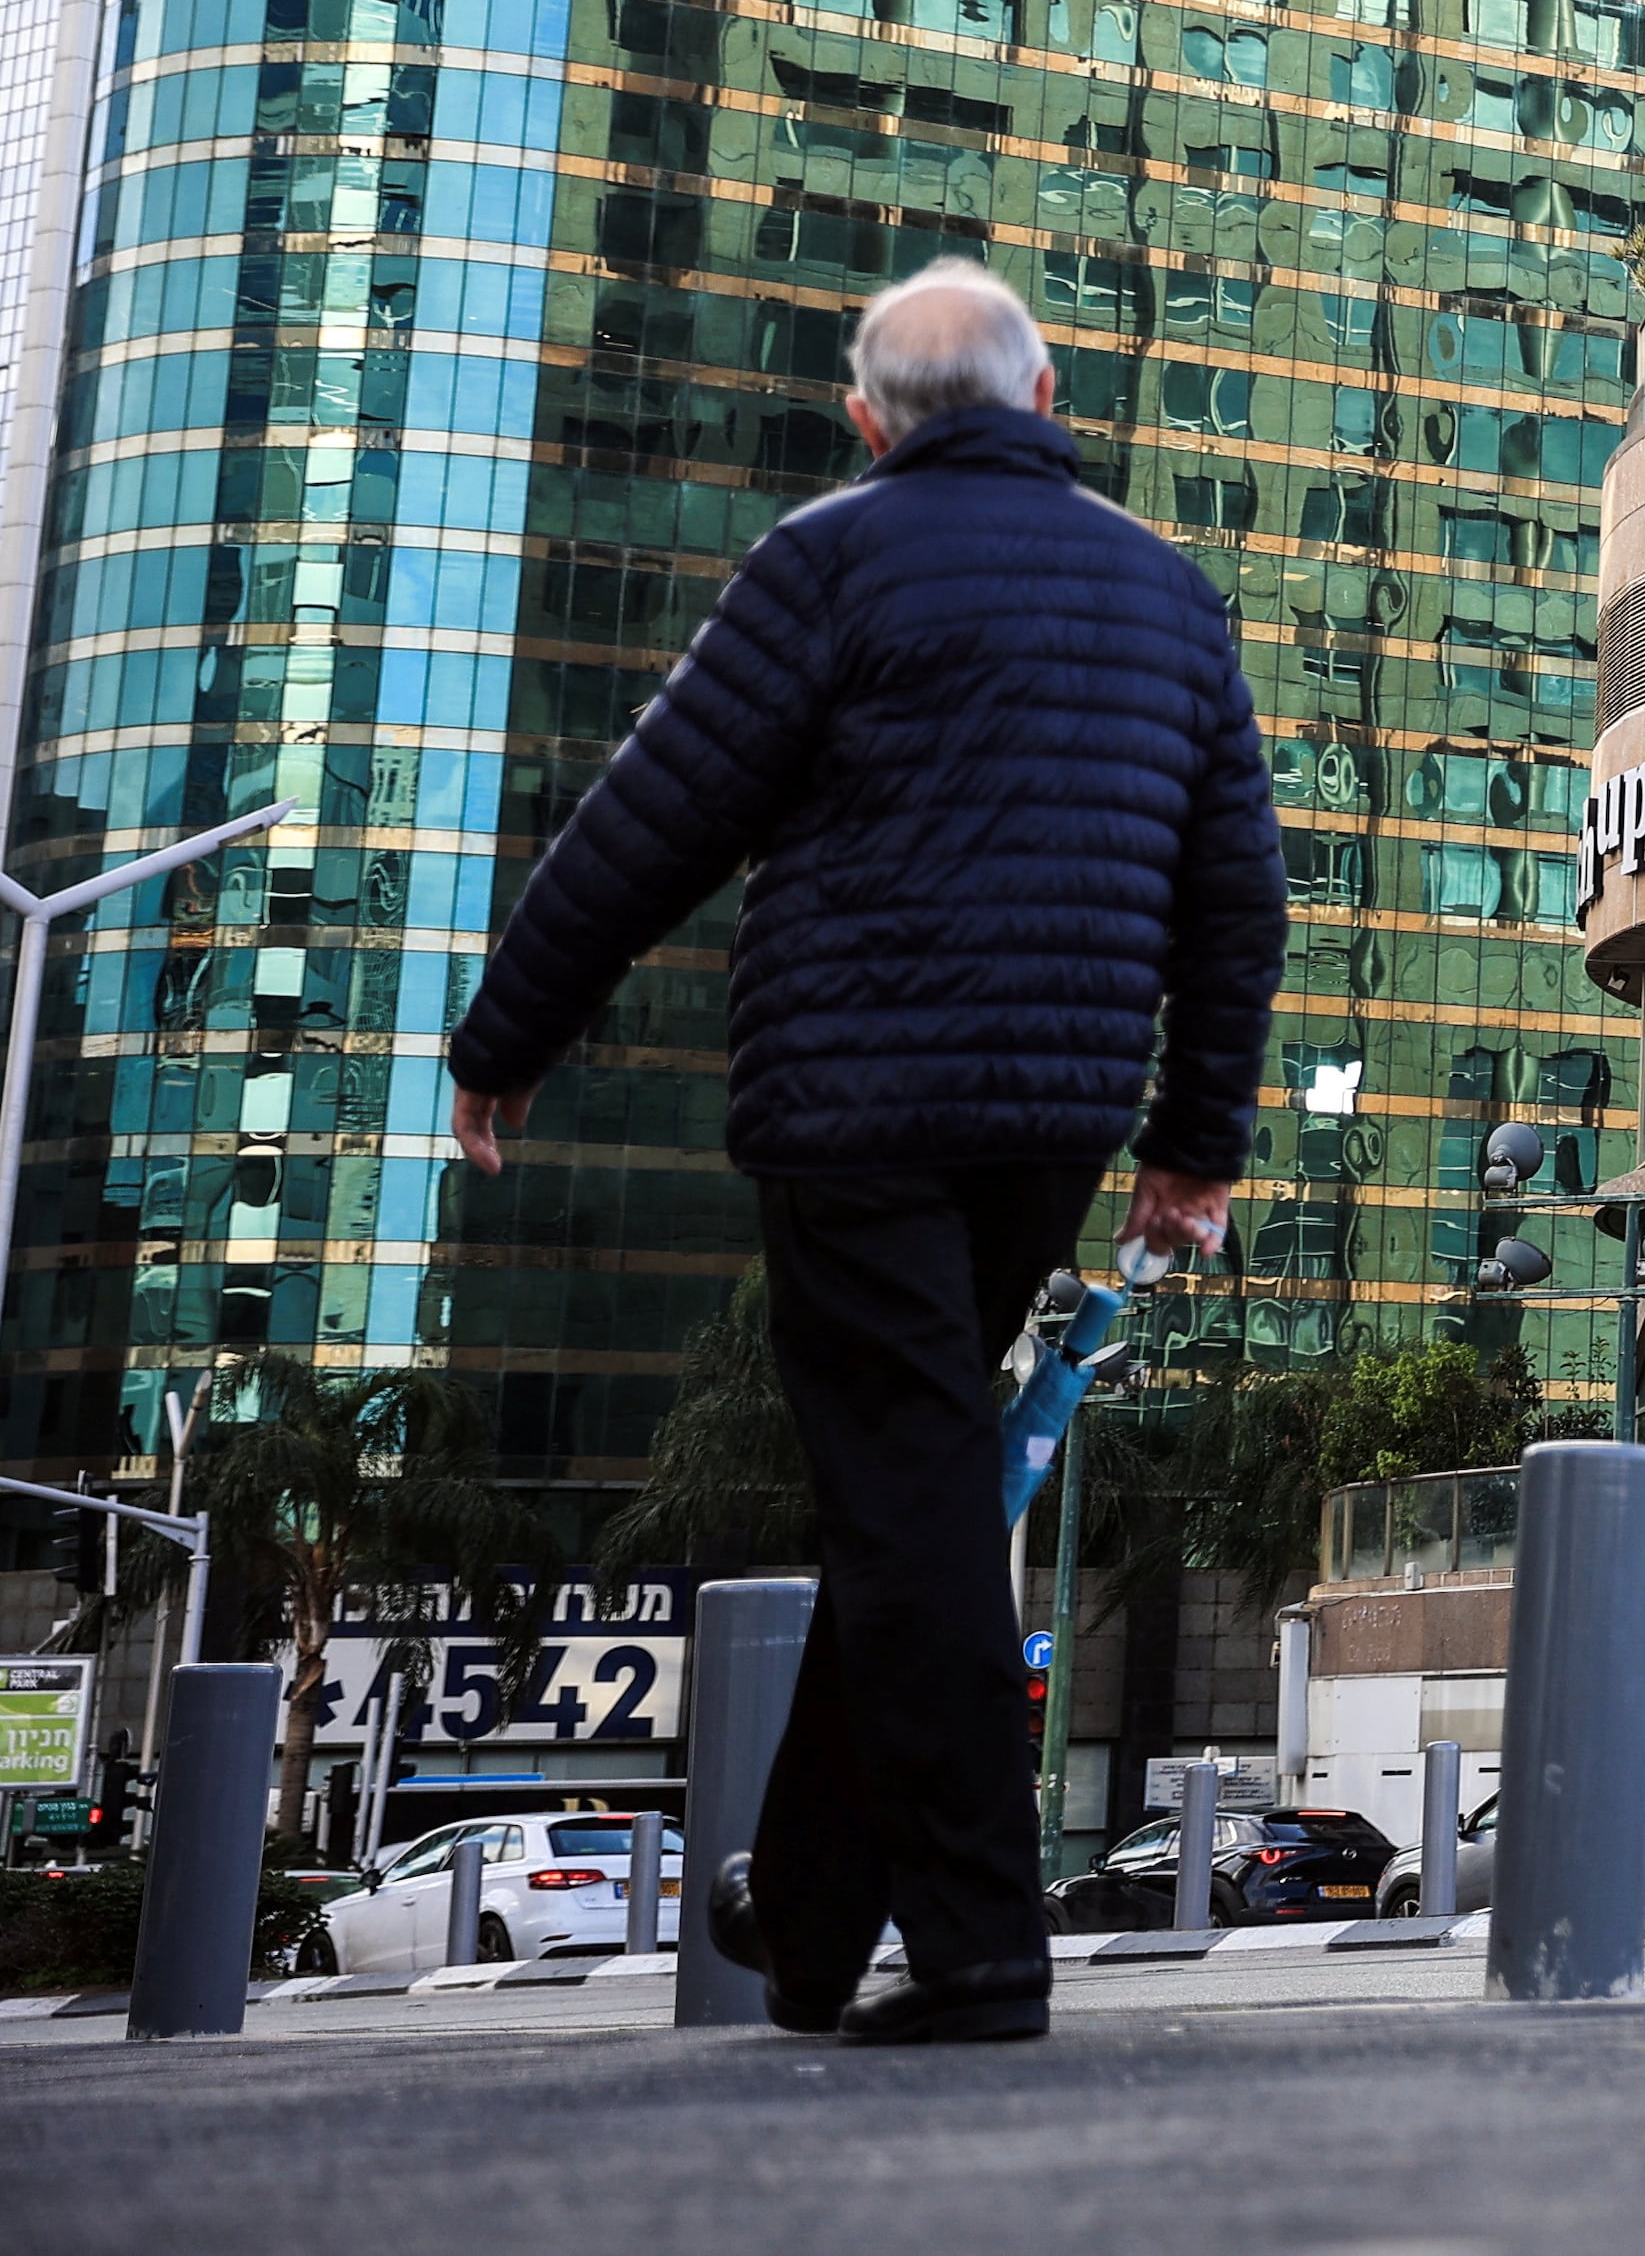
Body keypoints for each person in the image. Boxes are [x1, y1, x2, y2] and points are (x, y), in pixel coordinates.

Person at [443, 261, 1284, 2044]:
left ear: (866, 417)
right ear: (1048, 388)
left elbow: (648, 822)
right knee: (912, 1498)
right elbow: (1237, 898)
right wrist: (1190, 1143)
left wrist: (504, 1036)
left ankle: (983, 1945)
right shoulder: (1168, 591)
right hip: (1046, 1124)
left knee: (909, 1507)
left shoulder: (824, 560)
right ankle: (812, 1919)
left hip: (852, 1118)